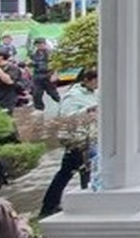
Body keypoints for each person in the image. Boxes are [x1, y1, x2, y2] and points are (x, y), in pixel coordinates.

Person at [38, 68, 99, 217]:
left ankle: (50, 205)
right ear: (87, 79)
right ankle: (52, 206)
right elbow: (65, 117)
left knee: (73, 172)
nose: (98, 84)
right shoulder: (73, 96)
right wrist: (87, 111)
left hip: (89, 137)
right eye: (96, 80)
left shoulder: (92, 93)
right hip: (76, 139)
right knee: (79, 170)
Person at [28, 38, 59, 112]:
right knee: (36, 93)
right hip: (37, 75)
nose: (40, 46)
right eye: (38, 45)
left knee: (52, 92)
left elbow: (56, 64)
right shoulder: (34, 54)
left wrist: (55, 74)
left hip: (48, 75)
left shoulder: (51, 53)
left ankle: (60, 104)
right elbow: (30, 63)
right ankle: (39, 109)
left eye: (41, 44)